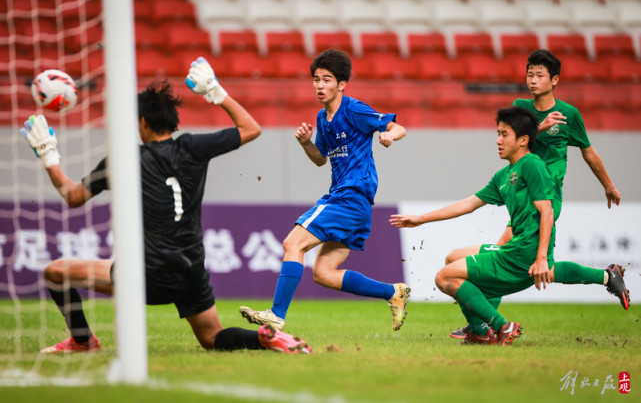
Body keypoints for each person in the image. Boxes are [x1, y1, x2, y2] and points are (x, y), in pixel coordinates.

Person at [20, 58, 311, 354]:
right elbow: (251, 128)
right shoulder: (192, 148)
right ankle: (262, 338)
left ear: (143, 122)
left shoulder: (126, 159)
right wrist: (216, 92)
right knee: (212, 337)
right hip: (191, 270)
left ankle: (83, 341)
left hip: (147, 274)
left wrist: (48, 155)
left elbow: (73, 196)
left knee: (56, 272)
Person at [390, 106, 624, 346]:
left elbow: (547, 212)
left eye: (504, 134)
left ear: (523, 140)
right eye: (497, 133)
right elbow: (468, 204)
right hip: (517, 249)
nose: (498, 140)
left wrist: (541, 257)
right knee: (453, 258)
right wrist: (420, 219)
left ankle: (500, 326)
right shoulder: (504, 175)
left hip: (525, 254)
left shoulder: (532, 164)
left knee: (444, 278)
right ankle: (480, 329)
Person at [446, 49, 628, 339]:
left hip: (547, 195)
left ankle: (485, 324)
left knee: (508, 252)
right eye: (529, 74)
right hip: (523, 191)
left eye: (539, 75)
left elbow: (588, 150)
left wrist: (608, 184)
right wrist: (539, 128)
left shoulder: (570, 114)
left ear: (554, 80)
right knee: (534, 264)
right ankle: (607, 275)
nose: (532, 80)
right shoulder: (521, 108)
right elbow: (521, 142)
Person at [238, 49, 410, 332]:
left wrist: (389, 134)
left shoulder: (354, 109)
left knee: (292, 244)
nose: (319, 85)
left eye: (327, 79)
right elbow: (321, 159)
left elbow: (398, 126)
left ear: (341, 84)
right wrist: (306, 142)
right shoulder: (321, 118)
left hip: (349, 197)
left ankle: (276, 315)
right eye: (316, 79)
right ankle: (393, 292)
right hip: (353, 203)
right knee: (324, 274)